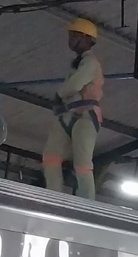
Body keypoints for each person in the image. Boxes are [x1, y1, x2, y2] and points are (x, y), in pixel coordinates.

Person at [42, 19, 103, 200]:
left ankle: (87, 203)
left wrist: (59, 94)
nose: (71, 40)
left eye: (75, 36)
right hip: (68, 114)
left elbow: (76, 83)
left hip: (85, 116)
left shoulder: (90, 63)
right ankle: (53, 196)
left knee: (82, 163)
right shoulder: (76, 64)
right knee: (51, 157)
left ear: (87, 38)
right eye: (71, 36)